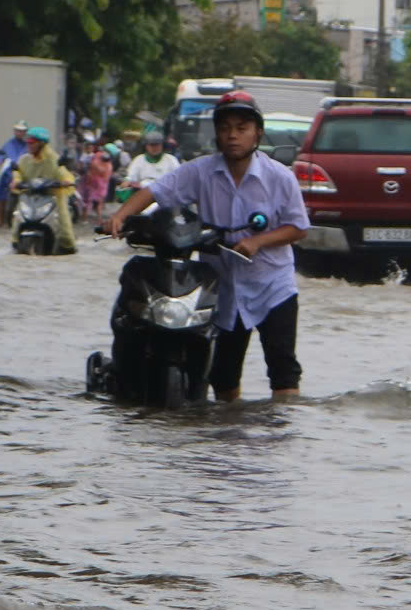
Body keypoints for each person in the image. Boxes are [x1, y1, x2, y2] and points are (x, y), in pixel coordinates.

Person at [103, 90, 310, 402]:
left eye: (241, 128)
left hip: (273, 287)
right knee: (223, 376)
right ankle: (226, 440)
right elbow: (157, 191)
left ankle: (282, 441)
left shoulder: (280, 177)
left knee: (283, 370)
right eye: (225, 128)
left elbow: (298, 227)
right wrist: (120, 216)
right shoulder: (200, 171)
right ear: (216, 133)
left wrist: (257, 241)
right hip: (222, 287)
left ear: (258, 134)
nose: (232, 136)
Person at [12, 125, 76, 253]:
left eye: (31, 142)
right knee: (17, 215)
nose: (28, 144)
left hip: (52, 196)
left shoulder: (54, 159)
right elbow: (18, 173)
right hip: (30, 196)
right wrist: (16, 181)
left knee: (64, 221)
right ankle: (15, 240)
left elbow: (62, 172)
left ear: (41, 143)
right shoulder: (24, 160)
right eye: (28, 142)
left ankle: (68, 245)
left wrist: (66, 181)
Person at [0, 120, 32, 227]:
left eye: (21, 131)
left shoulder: (28, 145)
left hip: (21, 174)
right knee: (0, 195)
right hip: (8, 173)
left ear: (25, 132)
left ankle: (17, 219)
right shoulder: (9, 144)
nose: (19, 133)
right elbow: (0, 154)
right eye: (17, 130)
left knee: (22, 195)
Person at [119, 131, 174, 202]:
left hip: (164, 196)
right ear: (146, 146)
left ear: (162, 145)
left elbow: (178, 177)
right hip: (142, 196)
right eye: (151, 145)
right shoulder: (139, 159)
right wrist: (127, 181)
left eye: (157, 145)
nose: (154, 148)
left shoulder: (171, 160)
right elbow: (131, 176)